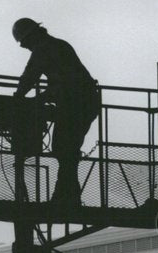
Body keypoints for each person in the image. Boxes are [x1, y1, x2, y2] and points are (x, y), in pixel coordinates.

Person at [11, 18, 101, 207]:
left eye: (25, 43)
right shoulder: (55, 46)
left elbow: (31, 76)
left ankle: (66, 197)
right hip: (80, 102)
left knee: (64, 148)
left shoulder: (44, 49)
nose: (26, 48)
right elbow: (56, 84)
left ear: (31, 37)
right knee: (65, 149)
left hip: (78, 103)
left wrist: (19, 98)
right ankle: (67, 196)